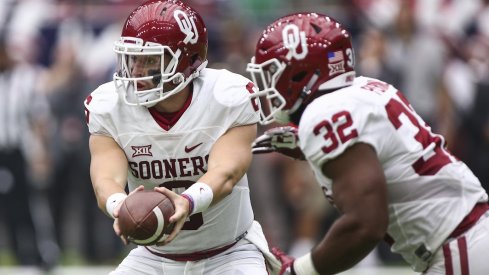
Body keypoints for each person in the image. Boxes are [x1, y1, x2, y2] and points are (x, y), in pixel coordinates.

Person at [247, 12, 489, 275]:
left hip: (457, 245)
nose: (268, 84)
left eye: (273, 71)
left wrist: (297, 270)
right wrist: (308, 144)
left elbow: (365, 225)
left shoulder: (326, 114)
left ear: (302, 72)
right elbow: (388, 155)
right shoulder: (365, 87)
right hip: (466, 235)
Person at [83, 0, 281, 274]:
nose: (136, 71)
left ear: (186, 59)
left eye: (150, 60)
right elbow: (105, 179)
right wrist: (121, 206)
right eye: (132, 59)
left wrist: (187, 202)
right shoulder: (110, 106)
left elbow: (226, 172)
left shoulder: (225, 97)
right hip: (152, 257)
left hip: (230, 253)